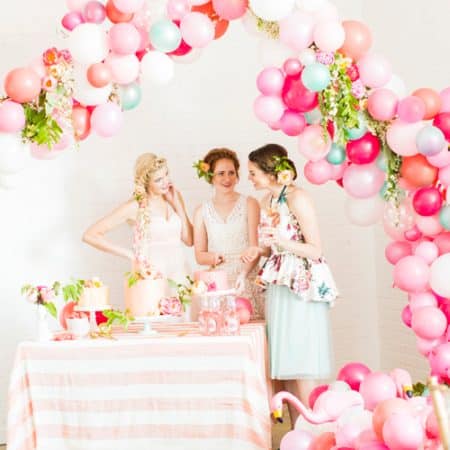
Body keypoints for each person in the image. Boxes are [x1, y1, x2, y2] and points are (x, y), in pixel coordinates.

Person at [244, 143, 338, 426]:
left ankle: (315, 431)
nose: (250, 178)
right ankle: (297, 431)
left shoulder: (298, 198)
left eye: (253, 172)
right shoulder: (266, 203)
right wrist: (258, 251)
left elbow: (315, 249)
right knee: (285, 365)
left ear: (271, 172)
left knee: (301, 360)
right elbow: (271, 247)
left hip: (301, 285)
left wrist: (281, 243)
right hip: (279, 283)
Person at [82, 153, 193, 287]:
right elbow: (90, 235)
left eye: (166, 175)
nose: (166, 182)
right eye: (158, 180)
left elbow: (189, 240)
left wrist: (178, 205)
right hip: (151, 275)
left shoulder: (174, 196)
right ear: (146, 182)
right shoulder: (135, 206)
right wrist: (130, 255)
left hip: (180, 274)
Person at [193, 148, 264, 319]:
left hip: (246, 278)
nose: (227, 178)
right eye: (221, 173)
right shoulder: (201, 211)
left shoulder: (250, 203)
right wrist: (214, 257)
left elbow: (255, 248)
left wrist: (243, 275)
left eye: (231, 173)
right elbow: (200, 256)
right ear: (210, 176)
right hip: (218, 283)